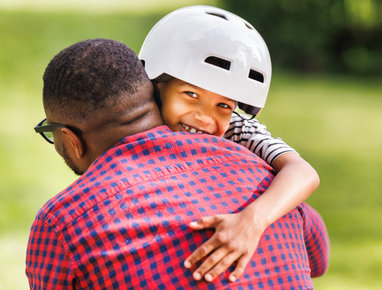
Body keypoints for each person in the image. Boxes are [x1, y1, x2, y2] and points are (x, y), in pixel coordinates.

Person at [27, 38, 329, 289]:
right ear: (156, 93)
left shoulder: (63, 220)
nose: (204, 117)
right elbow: (319, 256)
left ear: (70, 139)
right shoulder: (265, 176)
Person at [138, 5, 327, 282]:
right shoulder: (137, 122)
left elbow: (303, 172)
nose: (205, 117)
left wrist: (251, 221)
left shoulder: (236, 129)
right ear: (154, 84)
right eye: (191, 93)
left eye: (223, 105)